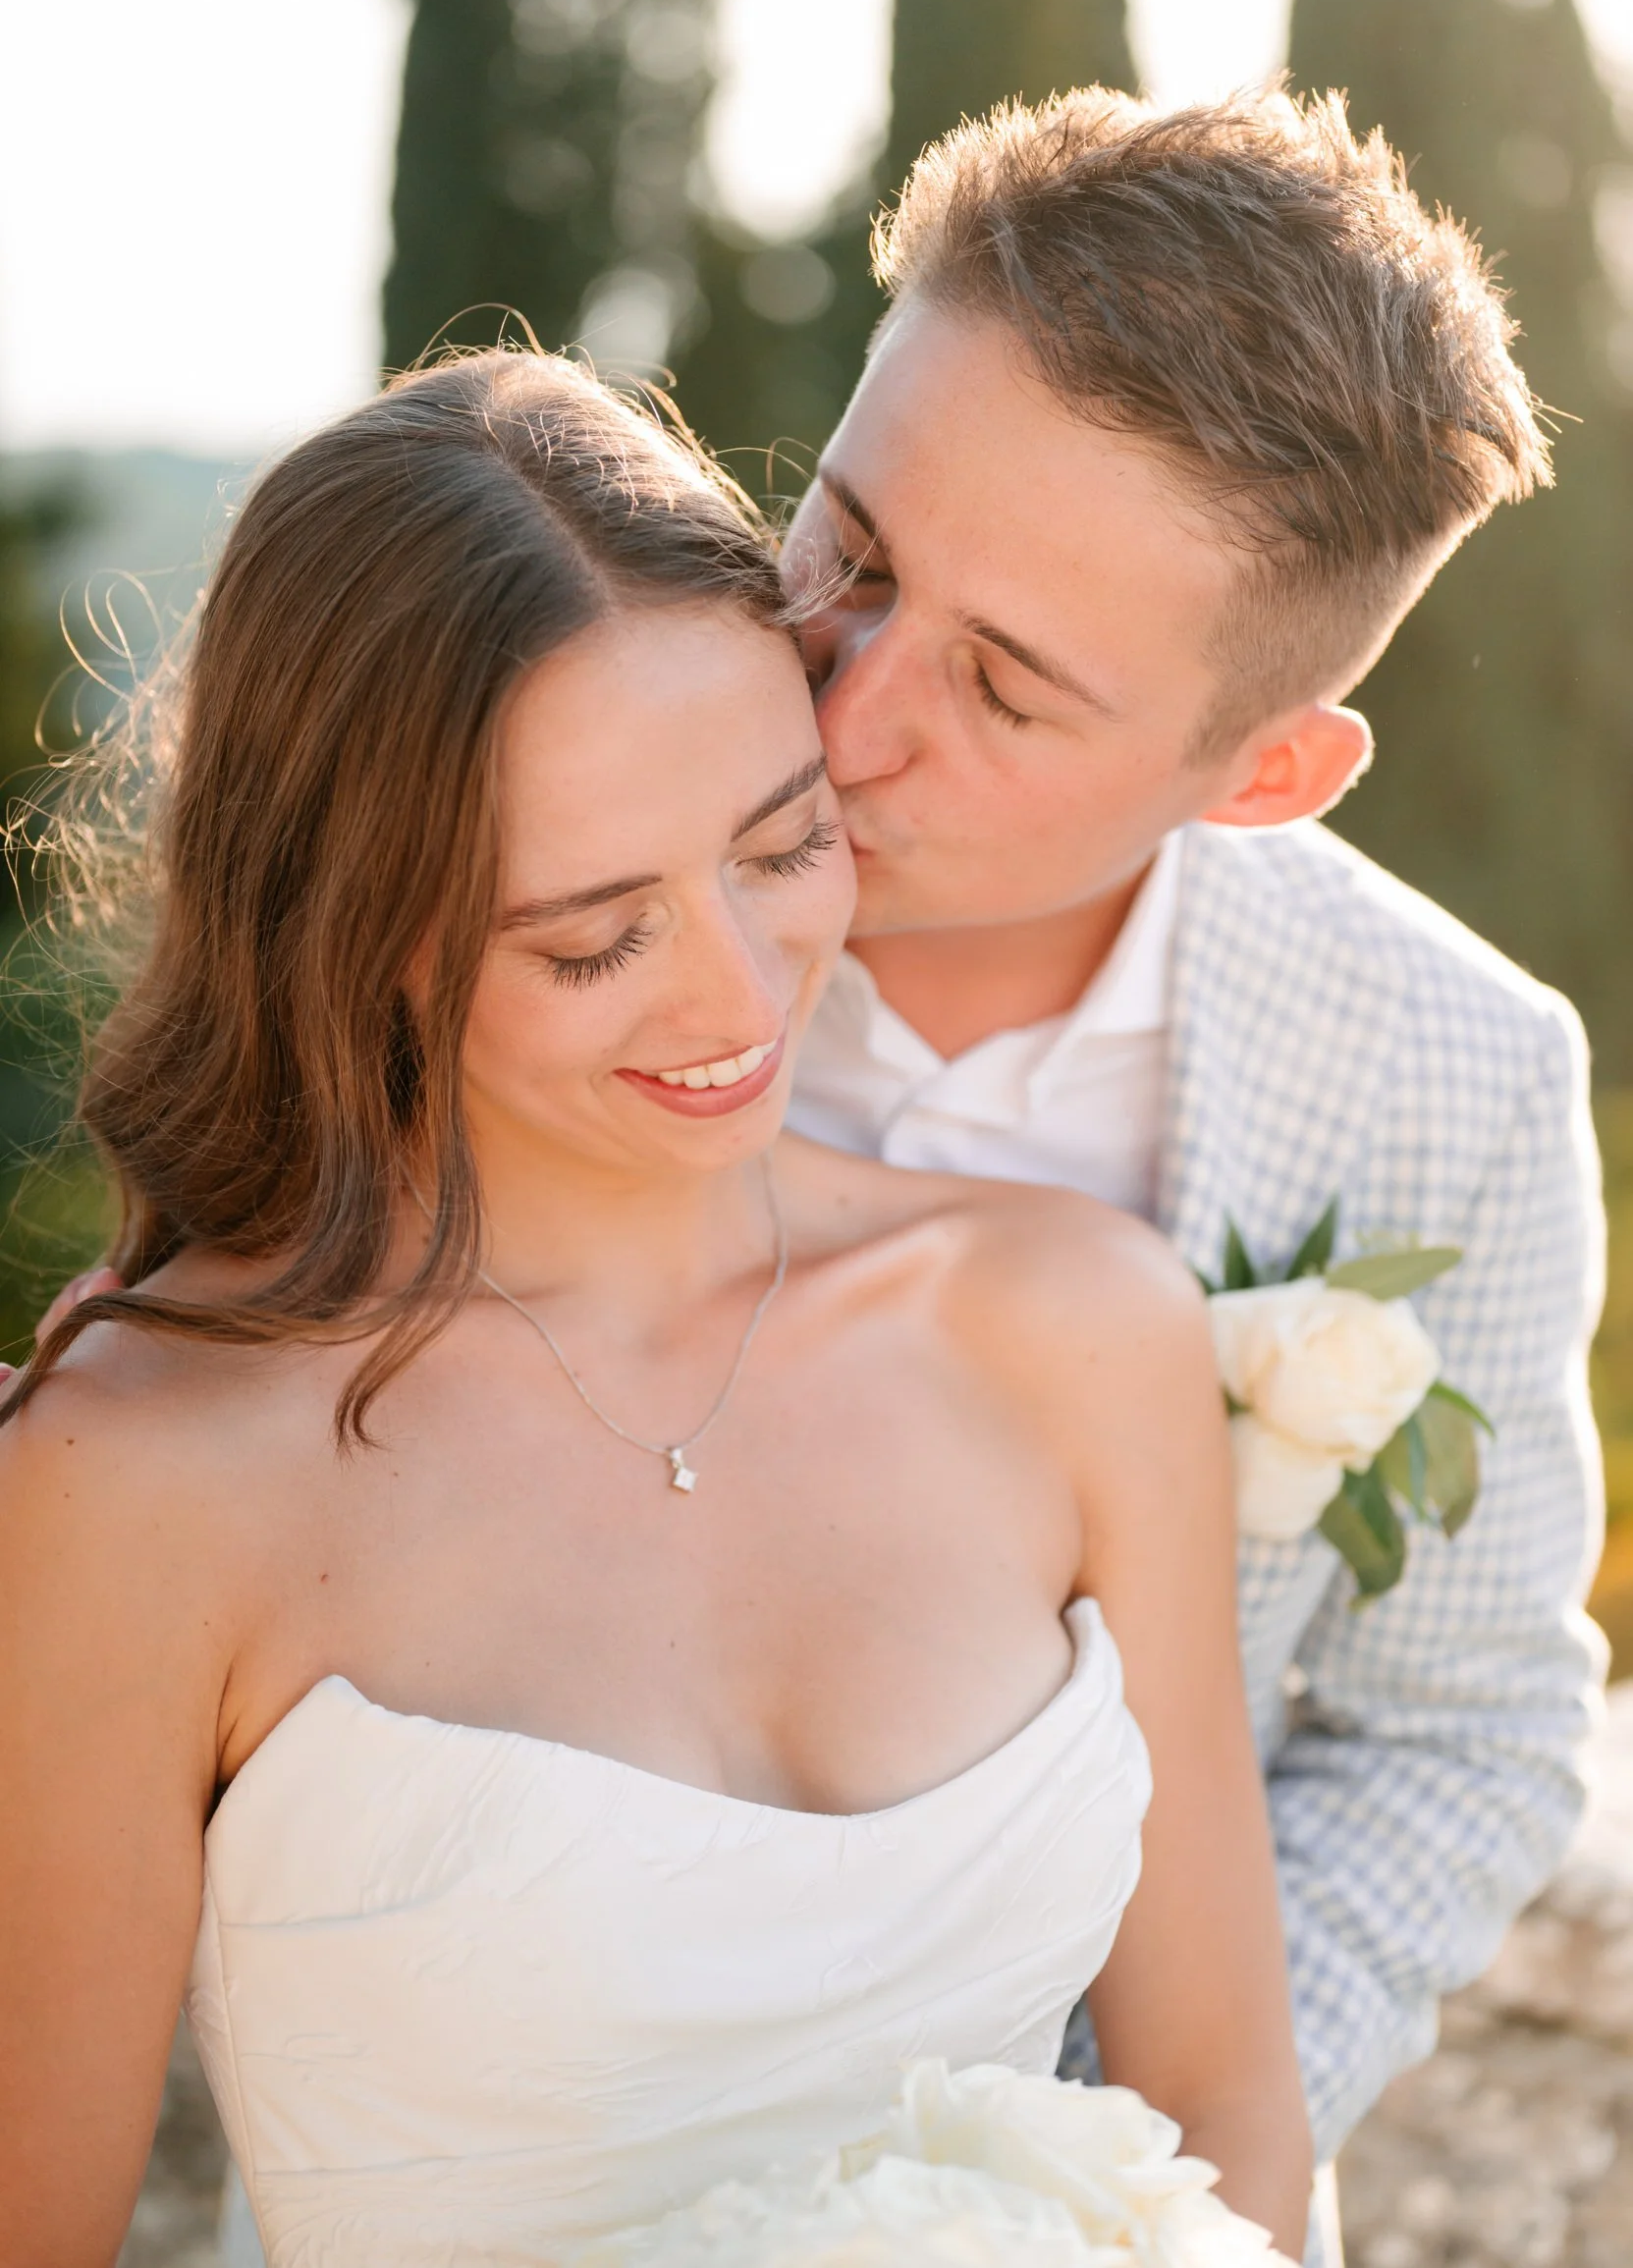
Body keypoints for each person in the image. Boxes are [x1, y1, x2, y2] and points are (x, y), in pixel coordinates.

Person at [0, 351, 1312, 2268]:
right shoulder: (137, 1482)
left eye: (785, 844)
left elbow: (1229, 2110)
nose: (737, 995)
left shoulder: (1076, 1324)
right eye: (595, 933)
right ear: (353, 933)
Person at [781, 88, 1607, 2258]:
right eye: (848, 544)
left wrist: (1112, 2179)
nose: (842, 714)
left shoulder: (1456, 1076)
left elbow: (1468, 1729)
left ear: (1263, 772)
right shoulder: (511, 885)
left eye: (1006, 688)